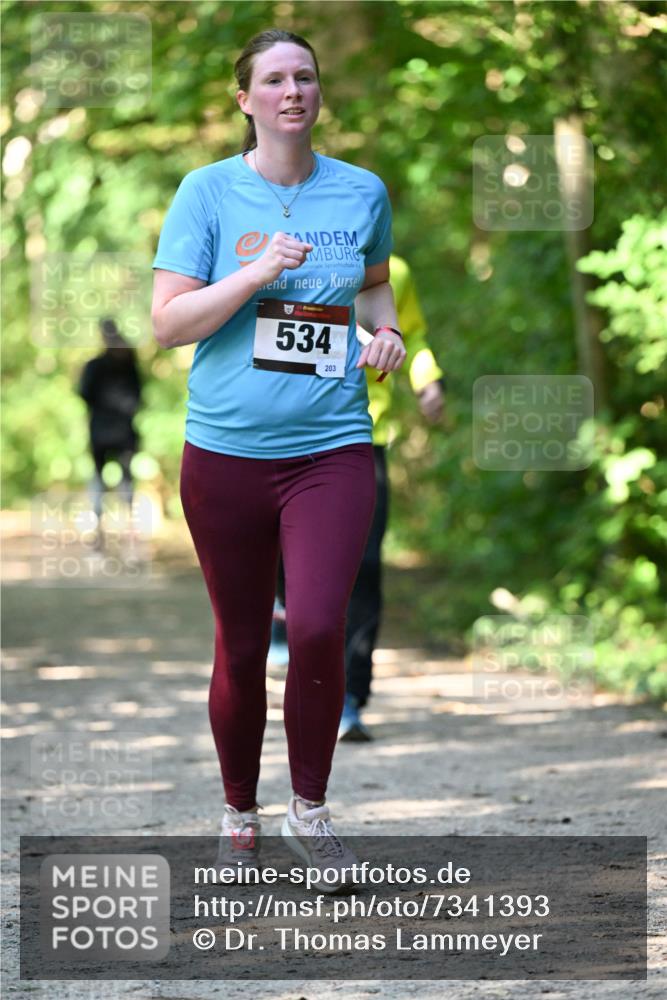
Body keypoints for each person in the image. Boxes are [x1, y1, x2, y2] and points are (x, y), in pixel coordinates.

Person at [151, 28, 406, 891]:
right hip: (224, 452)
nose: (292, 90)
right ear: (245, 99)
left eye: (304, 76)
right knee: (238, 643)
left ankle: (310, 811)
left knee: (320, 623)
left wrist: (386, 332)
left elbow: (373, 285)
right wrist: (254, 276)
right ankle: (238, 813)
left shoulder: (362, 190)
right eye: (273, 79)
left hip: (331, 447)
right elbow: (168, 324)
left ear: (318, 92)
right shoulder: (207, 192)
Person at [339, 254, 445, 741]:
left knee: (364, 565)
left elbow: (413, 335)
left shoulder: (392, 272)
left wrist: (427, 382)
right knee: (282, 554)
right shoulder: (288, 252)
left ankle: (349, 696)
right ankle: (286, 613)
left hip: (365, 434)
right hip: (287, 432)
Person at [78, 319, 142, 550]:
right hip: (124, 433)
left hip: (100, 432)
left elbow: (84, 393)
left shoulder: (95, 366)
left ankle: (99, 534)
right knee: (126, 480)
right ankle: (130, 534)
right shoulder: (130, 364)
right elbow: (139, 396)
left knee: (99, 480)